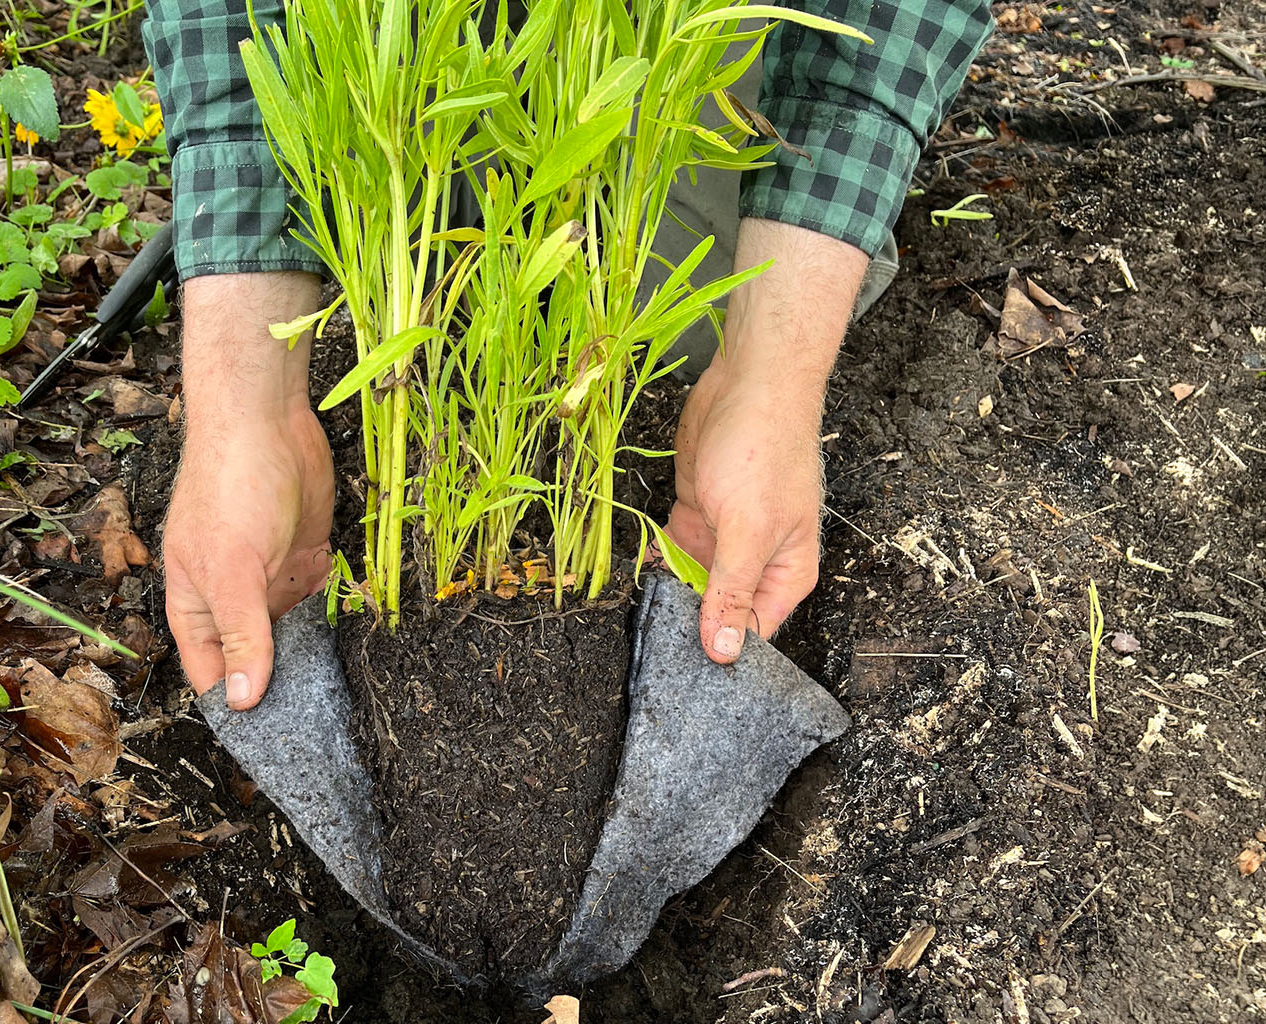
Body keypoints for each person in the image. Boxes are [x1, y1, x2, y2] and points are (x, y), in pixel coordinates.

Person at [142, 0, 993, 710]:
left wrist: (766, 382)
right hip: (393, 59)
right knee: (410, 284)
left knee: (658, 329)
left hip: (658, 45)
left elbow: (891, 23)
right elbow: (237, 28)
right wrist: (247, 409)